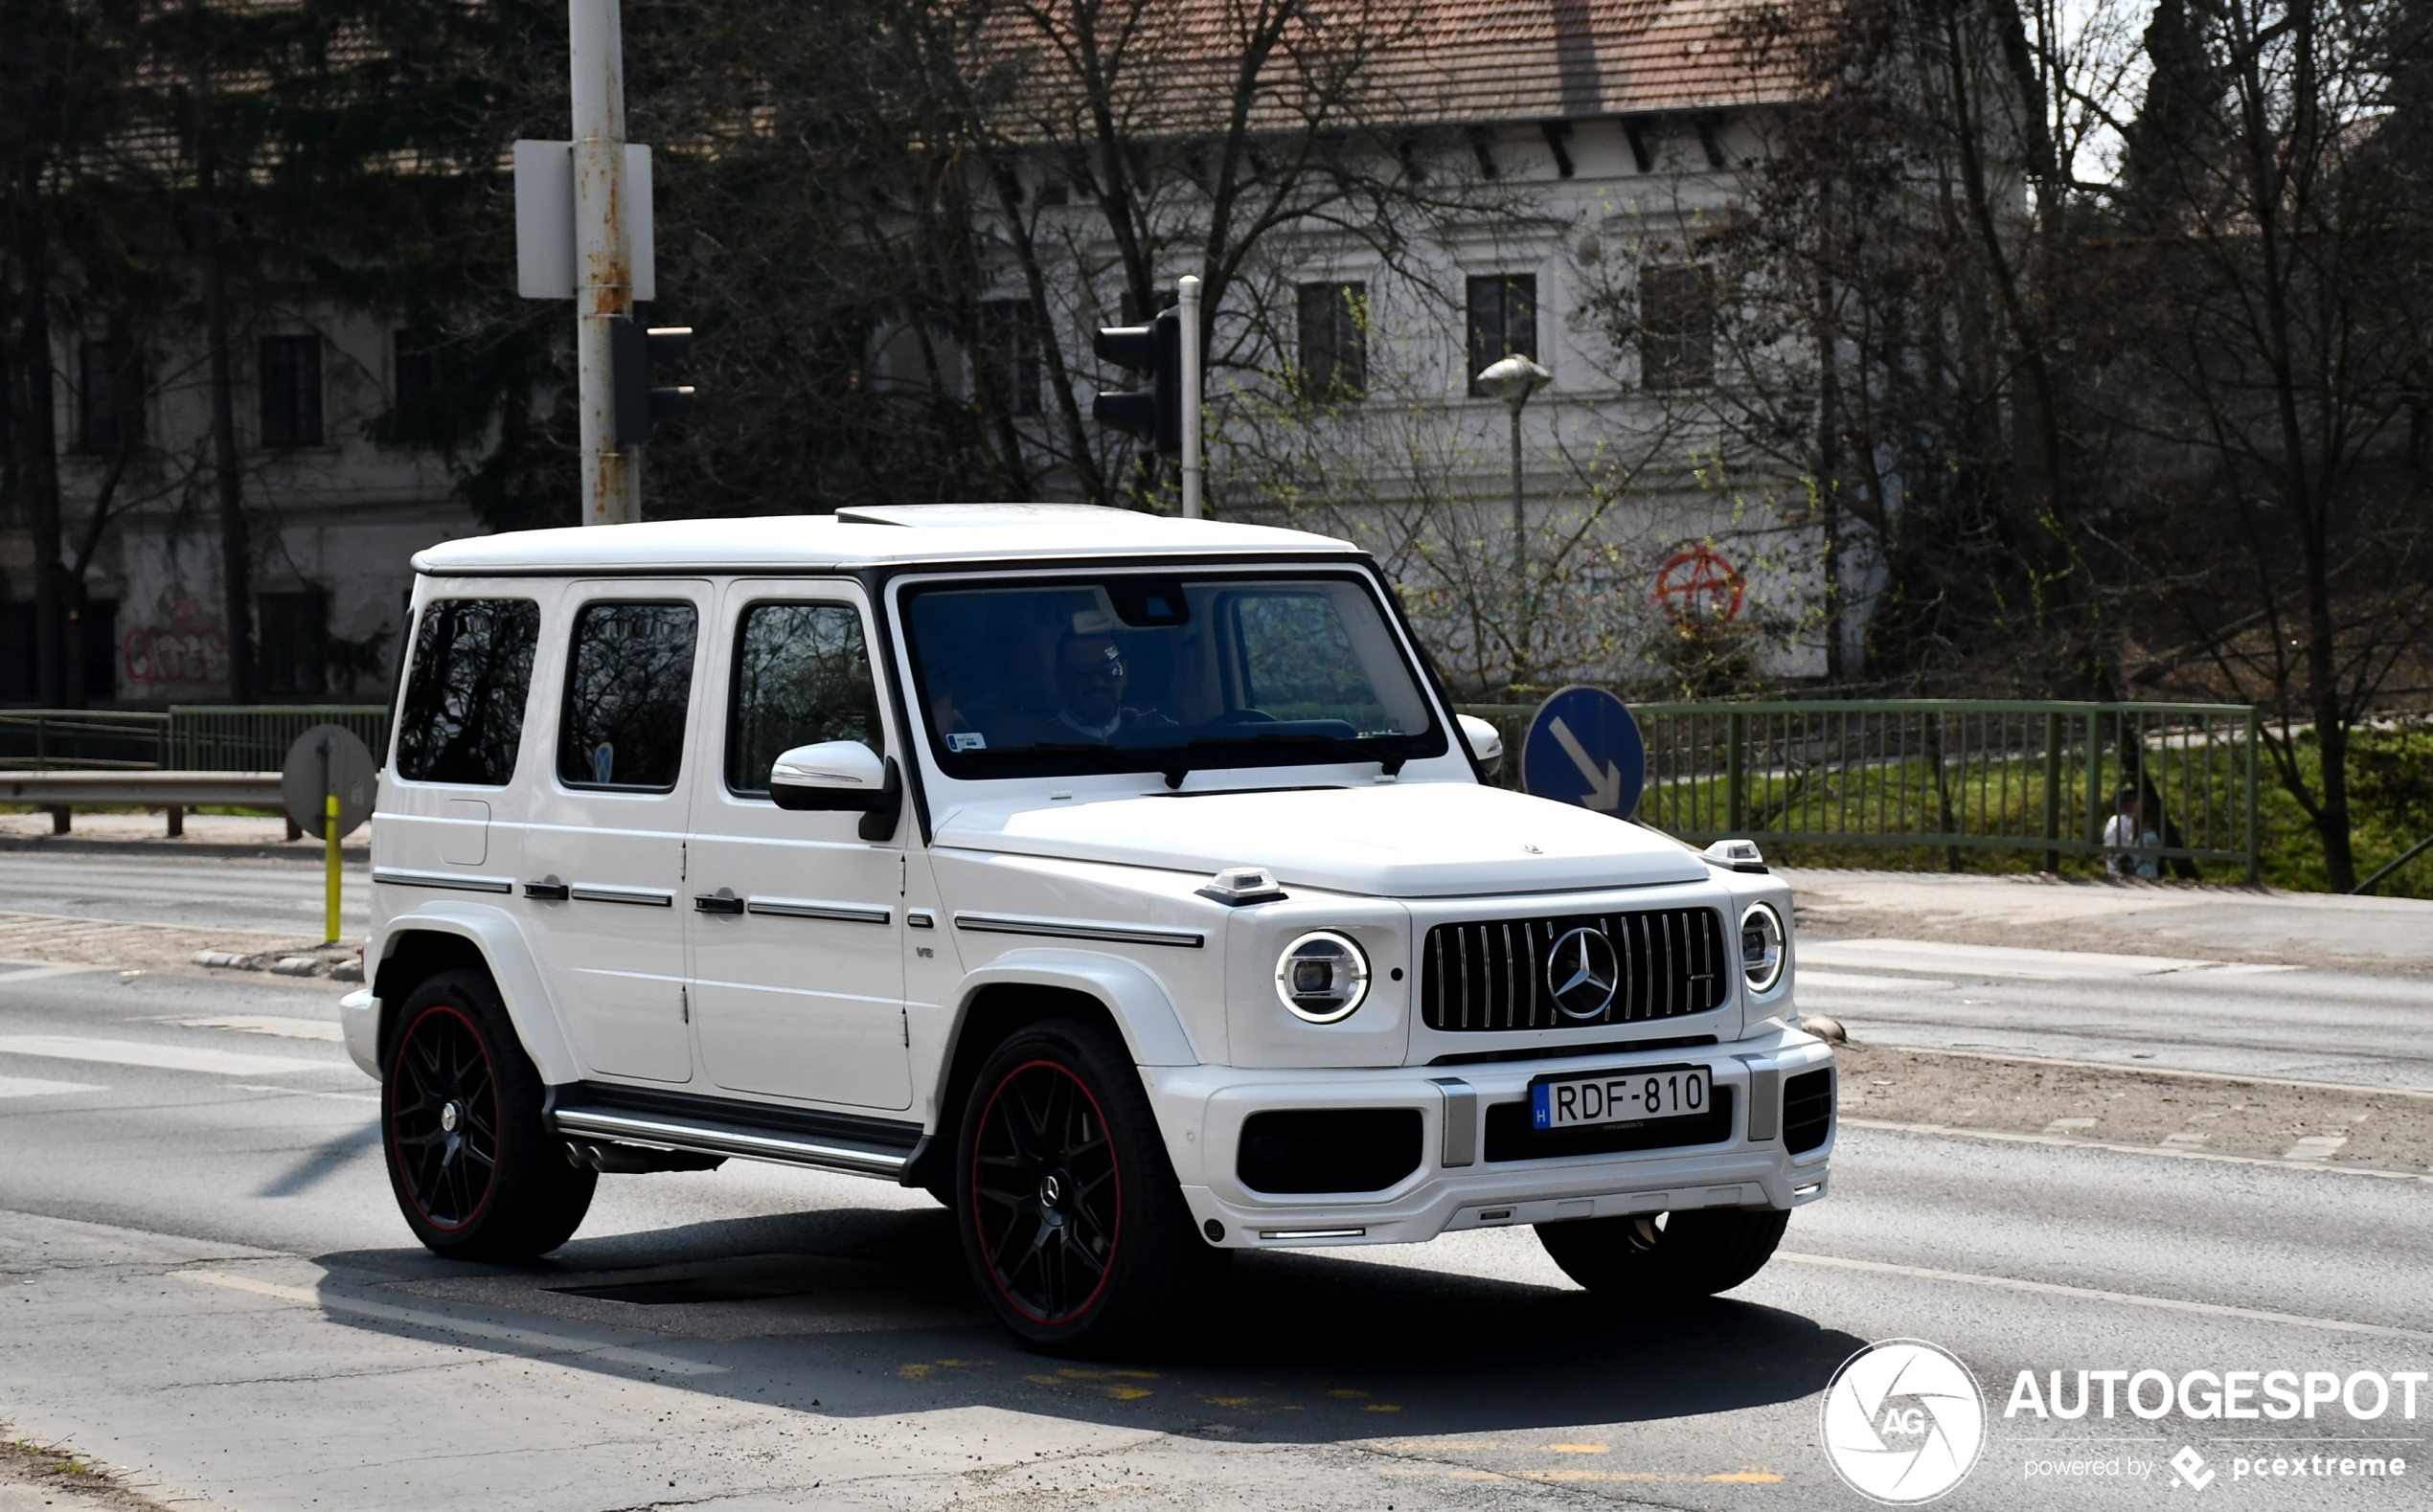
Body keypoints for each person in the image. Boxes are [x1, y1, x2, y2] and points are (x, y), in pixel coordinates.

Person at [1035, 632, 1173, 743]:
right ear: (1060, 681)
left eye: (1110, 670)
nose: (1098, 682)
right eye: (1082, 673)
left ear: (1125, 672)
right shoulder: (1038, 746)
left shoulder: (1159, 729)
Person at [2102, 787, 2161, 879]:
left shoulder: (2114, 820)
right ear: (2131, 803)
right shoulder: (2127, 822)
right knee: (2148, 839)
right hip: (2126, 869)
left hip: (2114, 868)